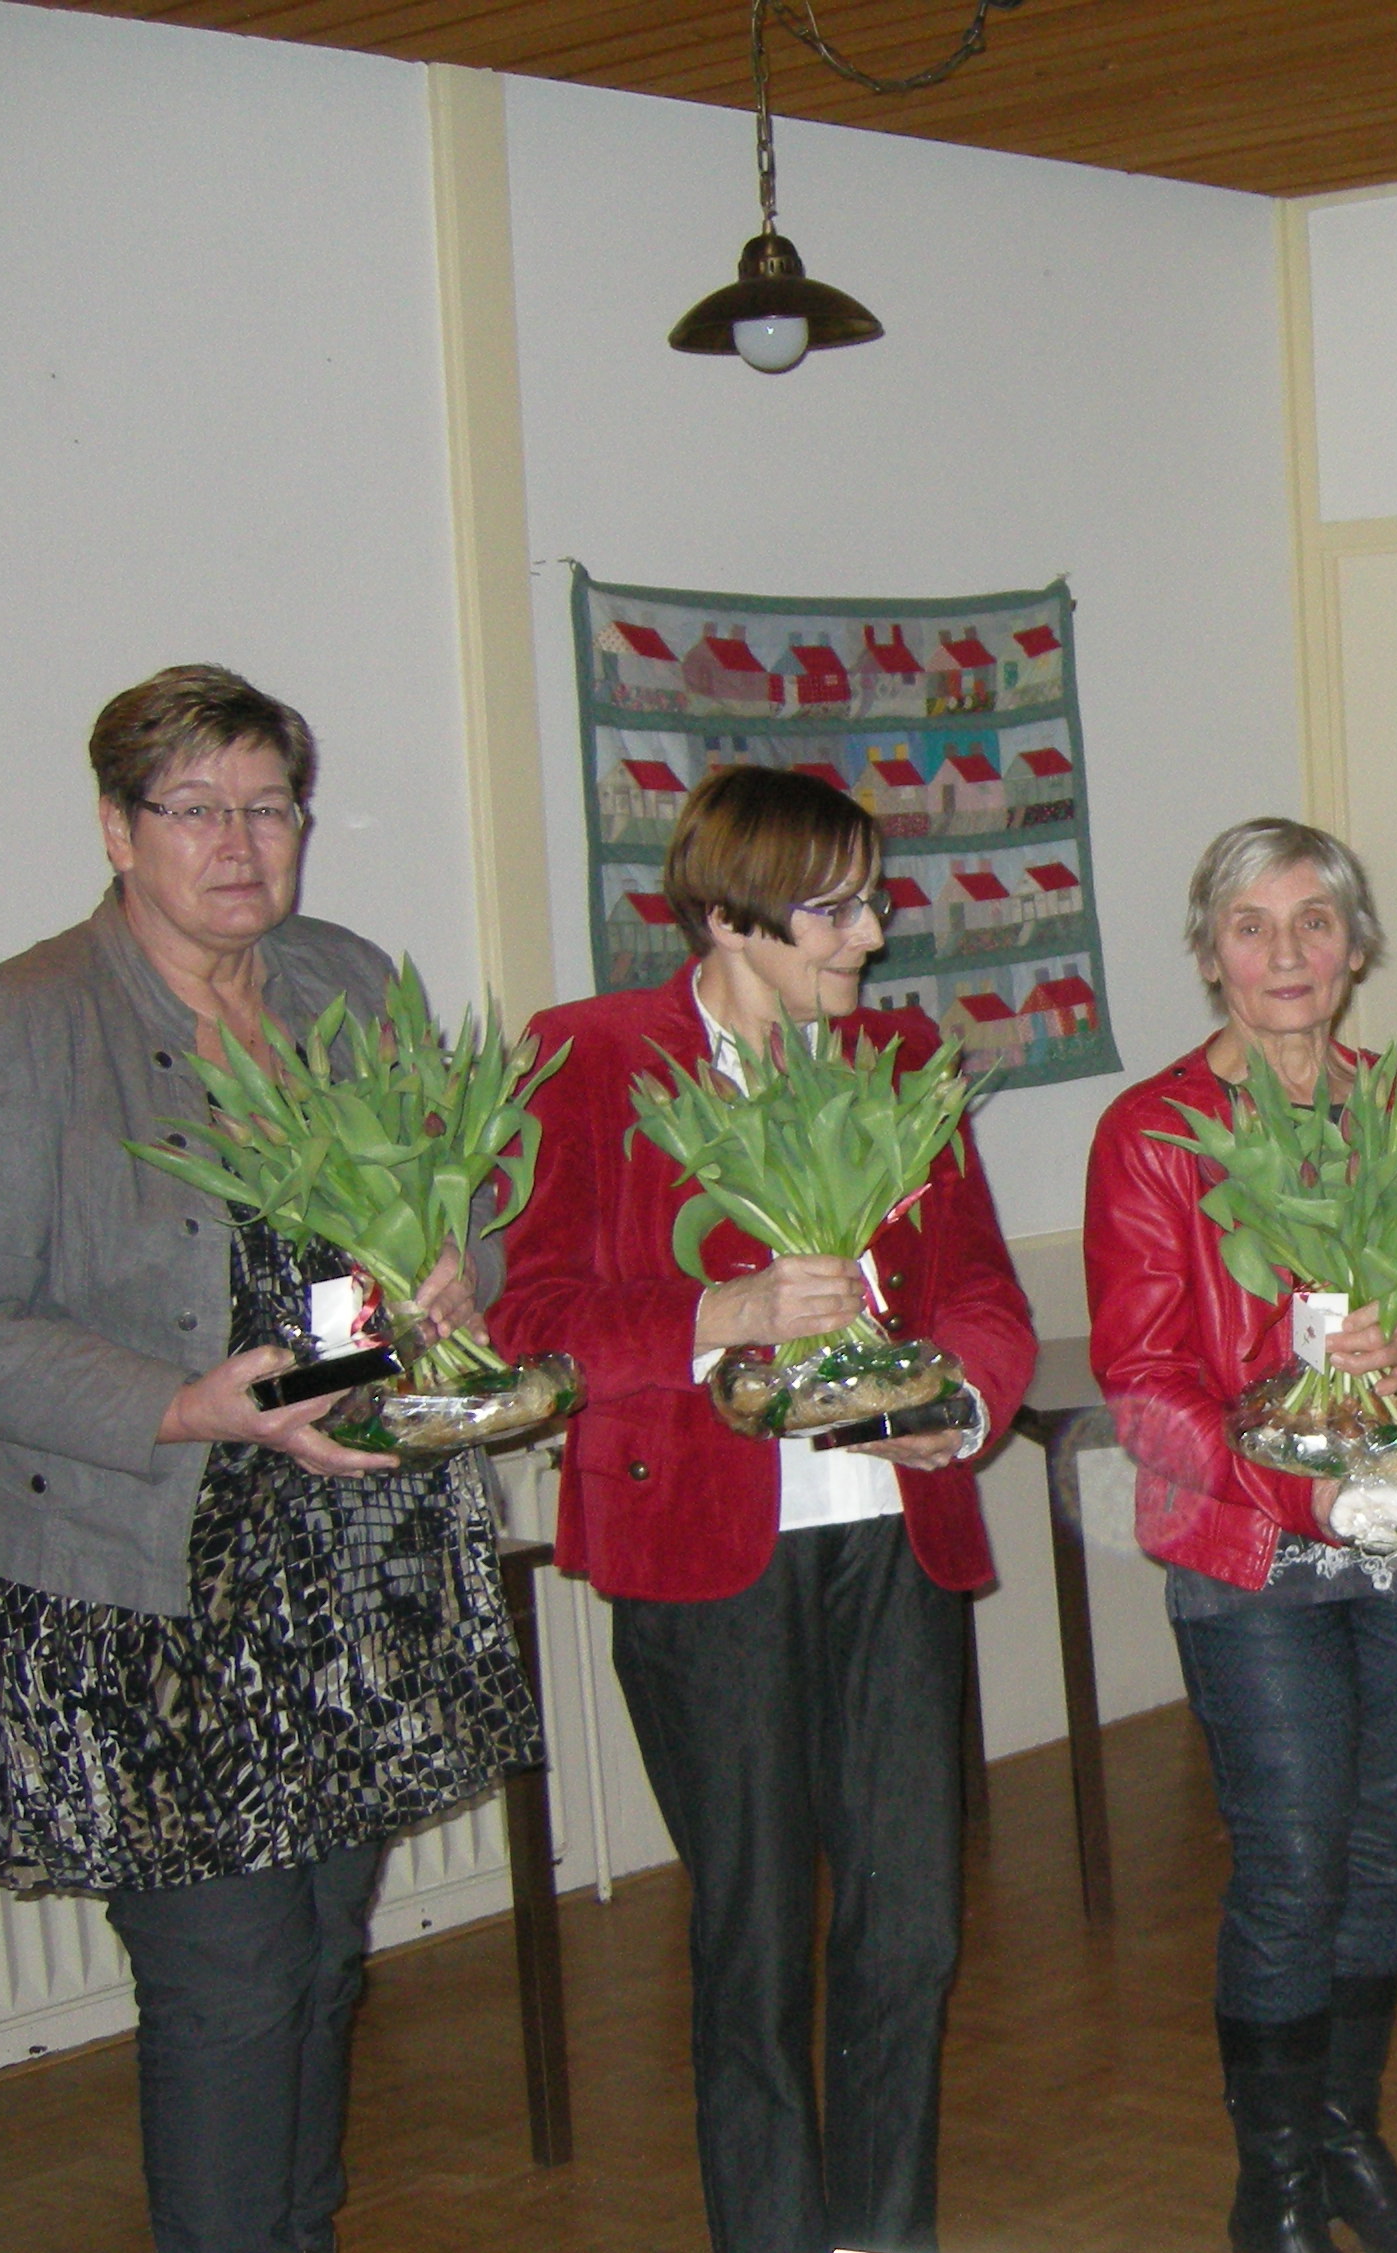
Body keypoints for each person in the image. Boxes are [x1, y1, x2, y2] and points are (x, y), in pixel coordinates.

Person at [0, 664, 541, 2253]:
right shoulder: (25, 1020)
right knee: (230, 1986)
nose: (242, 843)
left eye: (270, 805)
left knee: (321, 1956)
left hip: (351, 1562)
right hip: (152, 1587)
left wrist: (457, 1266)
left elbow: (468, 1200)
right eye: (197, 809)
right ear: (117, 827)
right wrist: (188, 1403)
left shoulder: (343, 980)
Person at [489, 766, 1035, 2253]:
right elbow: (532, 1312)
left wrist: (958, 1404)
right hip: (701, 1548)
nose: (869, 934)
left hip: (891, 1528)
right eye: (833, 907)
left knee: (911, 1926)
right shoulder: (592, 1056)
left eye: (870, 899)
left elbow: (981, 1285)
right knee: (752, 1941)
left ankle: (881, 2233)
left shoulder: (899, 1053)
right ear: (727, 915)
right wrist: (719, 1303)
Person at [1083, 819, 1397, 2253]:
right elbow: (1143, 1386)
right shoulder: (1149, 1136)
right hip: (1248, 1547)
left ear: (1356, 943)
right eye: (1255, 926)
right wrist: (1312, 1491)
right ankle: (1267, 2180)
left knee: (1386, 1843)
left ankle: (1346, 2142)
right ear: (1211, 950)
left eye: (1315, 922)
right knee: (1290, 1854)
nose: (1288, 955)